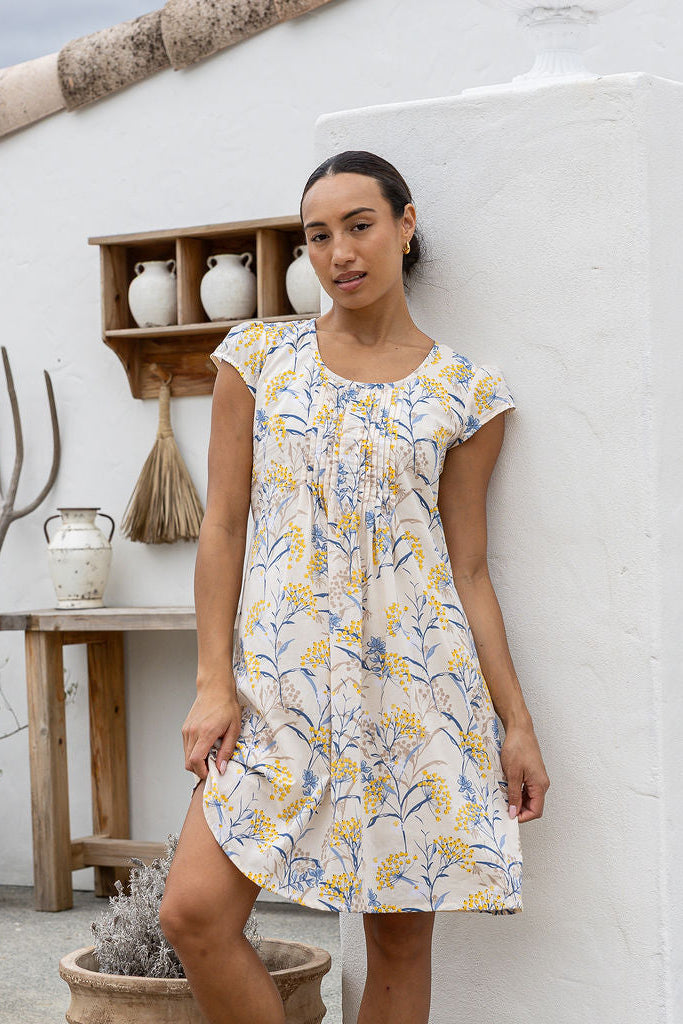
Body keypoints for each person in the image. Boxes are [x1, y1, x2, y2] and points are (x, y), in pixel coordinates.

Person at [160, 149, 550, 1024]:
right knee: (192, 914)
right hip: (279, 690)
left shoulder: (464, 395)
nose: (338, 252)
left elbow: (468, 570)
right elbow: (222, 527)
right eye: (317, 235)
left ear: (405, 226)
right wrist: (213, 681)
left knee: (399, 949)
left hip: (412, 696)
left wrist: (515, 726)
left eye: (359, 225)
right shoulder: (258, 361)